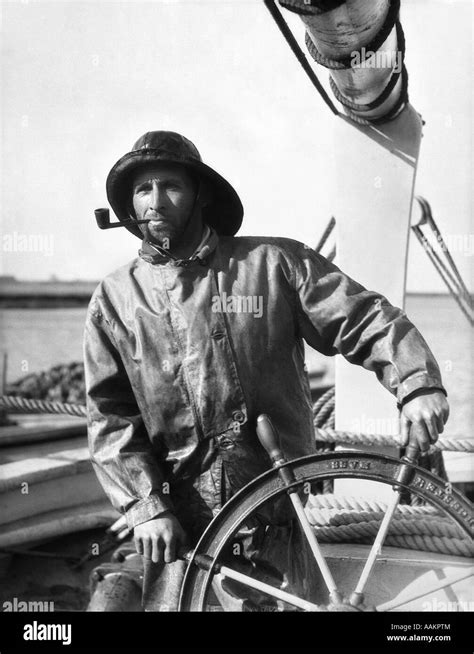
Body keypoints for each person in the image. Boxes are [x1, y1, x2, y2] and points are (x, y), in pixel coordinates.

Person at [84, 130, 449, 610]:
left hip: (281, 521)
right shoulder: (114, 299)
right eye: (142, 189)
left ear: (201, 194)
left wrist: (417, 384)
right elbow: (110, 420)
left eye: (170, 185)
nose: (155, 201)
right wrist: (146, 508)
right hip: (178, 536)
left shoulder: (275, 265)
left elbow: (365, 319)